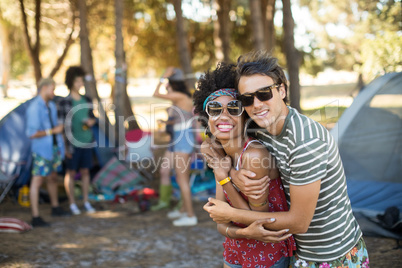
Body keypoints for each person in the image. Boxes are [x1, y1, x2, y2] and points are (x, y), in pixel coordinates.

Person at [203, 51, 369, 267]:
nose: (257, 104)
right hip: (295, 252)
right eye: (247, 98)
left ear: (281, 89)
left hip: (332, 255)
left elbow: (299, 222)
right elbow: (214, 142)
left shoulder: (306, 142)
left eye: (264, 93)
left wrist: (230, 214)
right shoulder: (260, 127)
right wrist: (232, 173)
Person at [194, 62, 296, 267]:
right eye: (215, 109)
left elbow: (258, 221)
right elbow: (222, 223)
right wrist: (239, 232)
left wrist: (224, 178)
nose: (223, 115)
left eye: (234, 108)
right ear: (207, 117)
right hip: (234, 251)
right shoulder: (219, 151)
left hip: (266, 256)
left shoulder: (254, 156)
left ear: (245, 115)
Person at [153, 67, 197, 226]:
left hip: (183, 140)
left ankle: (191, 215)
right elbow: (181, 119)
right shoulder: (182, 97)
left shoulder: (179, 96)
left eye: (167, 83)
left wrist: (162, 77)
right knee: (181, 178)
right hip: (181, 138)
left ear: (172, 83)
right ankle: (184, 210)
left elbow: (155, 94)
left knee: (182, 178)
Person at [26, 78, 70, 227]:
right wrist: (52, 131)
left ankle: (55, 207)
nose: (54, 92)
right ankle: (35, 217)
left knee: (52, 177)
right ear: (44, 88)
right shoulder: (34, 108)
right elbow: (31, 133)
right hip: (42, 151)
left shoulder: (51, 105)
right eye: (52, 88)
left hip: (54, 149)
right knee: (37, 181)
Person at [57, 66, 96, 215]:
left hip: (87, 141)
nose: (80, 84)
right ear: (71, 82)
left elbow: (92, 117)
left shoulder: (87, 99)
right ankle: (73, 203)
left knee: (86, 172)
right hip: (72, 144)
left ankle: (86, 201)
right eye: (77, 81)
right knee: (71, 173)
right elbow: (61, 127)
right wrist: (64, 147)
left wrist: (92, 121)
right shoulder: (64, 102)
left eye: (81, 81)